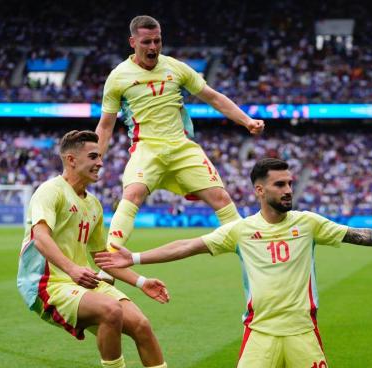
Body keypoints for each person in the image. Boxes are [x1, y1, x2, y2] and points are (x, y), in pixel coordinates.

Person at [94, 158, 372, 368]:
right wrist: (135, 257)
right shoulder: (241, 231)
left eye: (290, 183)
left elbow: (356, 234)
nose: (288, 189)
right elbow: (190, 245)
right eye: (279, 184)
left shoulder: (308, 223)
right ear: (260, 191)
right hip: (259, 328)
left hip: (301, 328)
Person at [16, 130, 198, 368]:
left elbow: (104, 258)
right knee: (110, 311)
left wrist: (141, 281)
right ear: (71, 159)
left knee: (141, 324)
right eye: (93, 156)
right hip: (46, 284)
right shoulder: (50, 190)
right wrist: (73, 269)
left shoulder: (94, 204)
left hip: (80, 280)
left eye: (100, 156)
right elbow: (40, 236)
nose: (100, 162)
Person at [95, 15, 265, 256]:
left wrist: (246, 120)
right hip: (146, 148)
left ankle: (251, 253)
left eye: (157, 41)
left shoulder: (176, 67)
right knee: (132, 194)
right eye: (146, 42)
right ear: (132, 42)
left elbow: (213, 97)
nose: (153, 47)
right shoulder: (118, 77)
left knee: (220, 196)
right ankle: (110, 259)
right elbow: (105, 125)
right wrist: (96, 158)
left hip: (181, 146)